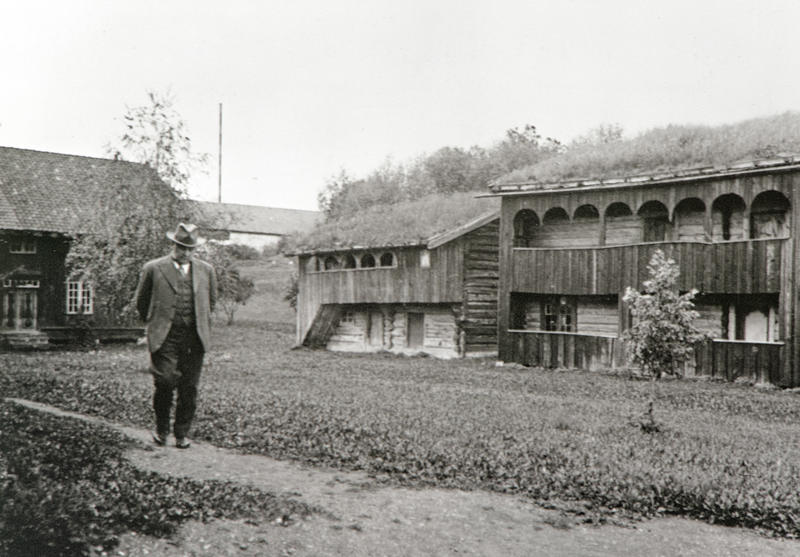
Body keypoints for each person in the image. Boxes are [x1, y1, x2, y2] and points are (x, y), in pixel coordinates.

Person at [135, 223, 217, 449]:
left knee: (189, 388)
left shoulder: (206, 270)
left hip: (194, 337)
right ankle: (161, 430)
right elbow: (141, 302)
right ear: (173, 245)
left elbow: (211, 302)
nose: (186, 253)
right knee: (165, 381)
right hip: (165, 336)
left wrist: (200, 325)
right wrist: (154, 324)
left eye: (190, 249)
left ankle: (182, 433)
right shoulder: (154, 268)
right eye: (182, 248)